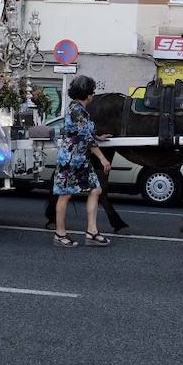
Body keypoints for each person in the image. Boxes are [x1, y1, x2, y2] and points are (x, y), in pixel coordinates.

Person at [52, 75, 112, 248]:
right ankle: (59, 233)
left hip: (81, 159)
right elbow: (85, 137)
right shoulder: (77, 110)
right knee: (65, 195)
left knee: (96, 189)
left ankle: (92, 231)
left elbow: (84, 132)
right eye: (92, 92)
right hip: (70, 159)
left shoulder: (79, 109)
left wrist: (98, 136)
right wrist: (102, 158)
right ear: (88, 95)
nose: (93, 95)